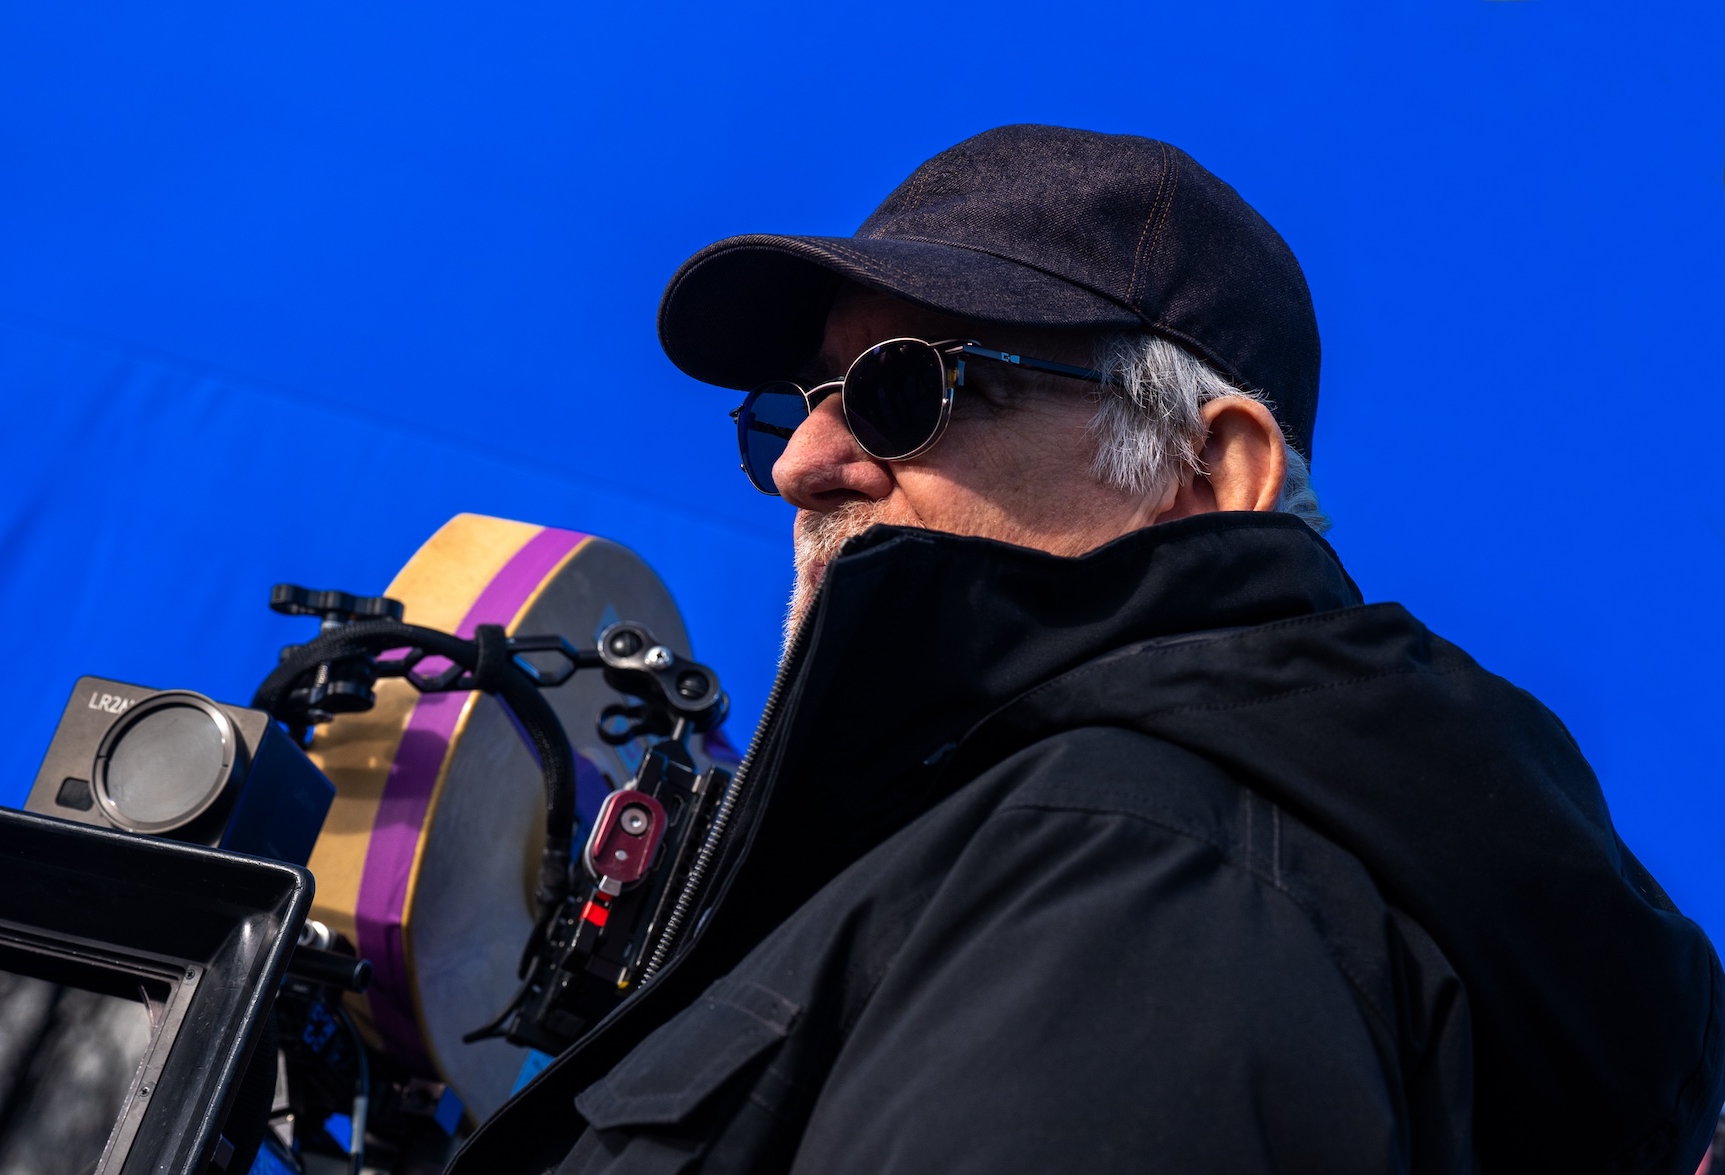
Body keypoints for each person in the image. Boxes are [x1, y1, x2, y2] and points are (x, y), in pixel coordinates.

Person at [448, 125, 1724, 1174]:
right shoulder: (1047, 858)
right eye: (791, 408)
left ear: (1207, 471)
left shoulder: (1136, 864)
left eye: (901, 388)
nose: (799, 464)